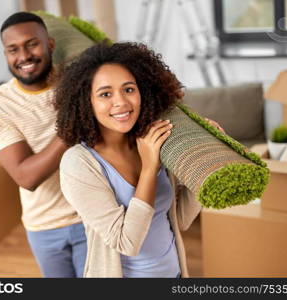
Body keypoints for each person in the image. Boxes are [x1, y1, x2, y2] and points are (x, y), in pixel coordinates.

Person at [54, 42, 203, 278]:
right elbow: (127, 243)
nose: (121, 102)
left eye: (129, 89)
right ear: (86, 102)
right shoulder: (78, 164)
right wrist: (148, 168)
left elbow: (180, 219)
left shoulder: (152, 142)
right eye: (105, 94)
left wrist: (203, 165)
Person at [0, 12, 87, 278]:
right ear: (5, 54)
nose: (24, 56)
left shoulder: (77, 85)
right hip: (44, 227)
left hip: (92, 216)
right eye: (13, 49)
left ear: (50, 45)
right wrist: (71, 126)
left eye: (32, 44)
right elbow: (26, 176)